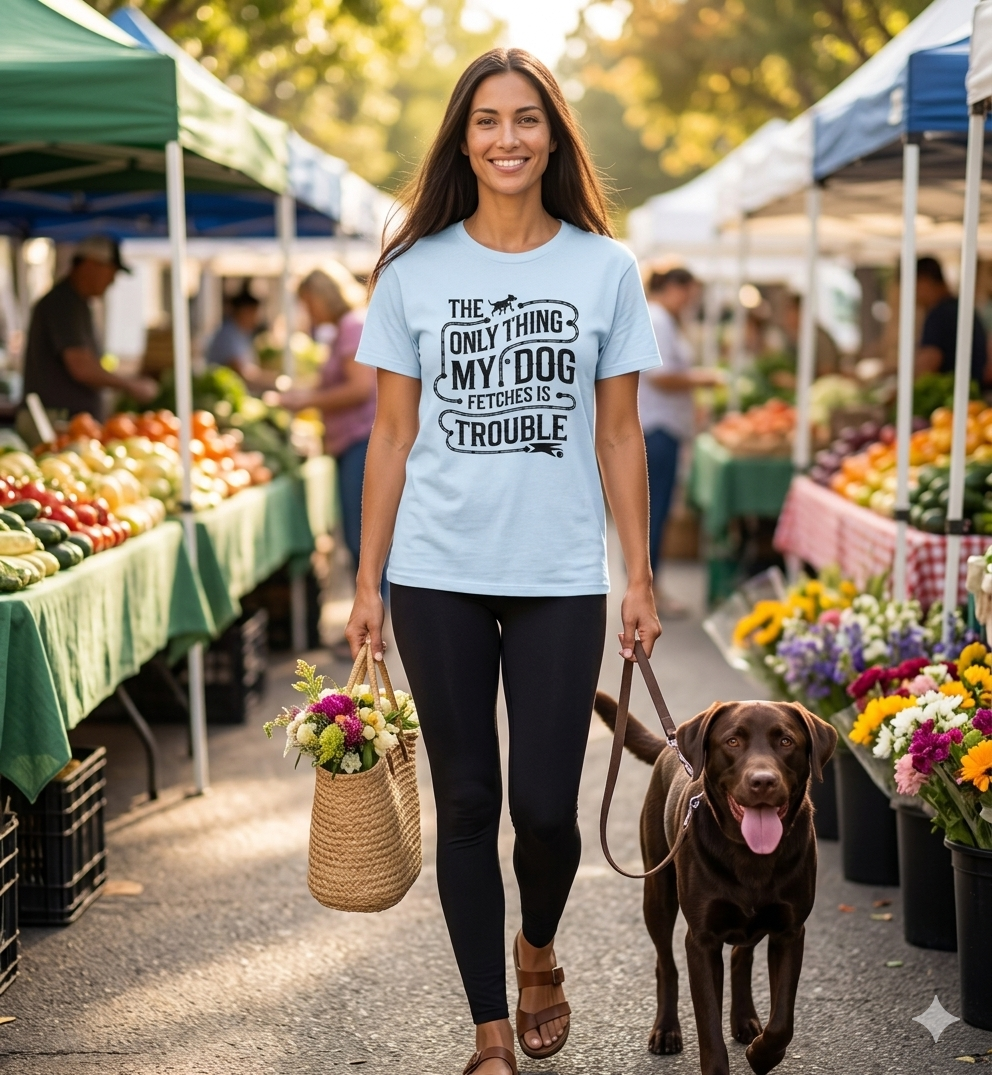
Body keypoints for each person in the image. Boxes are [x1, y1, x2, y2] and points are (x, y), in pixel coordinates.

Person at [345, 49, 663, 1075]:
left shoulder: (603, 268)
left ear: (552, 136)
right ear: (463, 138)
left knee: (542, 810)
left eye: (526, 120)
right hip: (434, 569)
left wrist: (639, 575)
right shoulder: (414, 268)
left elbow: (619, 435)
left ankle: (537, 947)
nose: (507, 138)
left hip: (559, 575)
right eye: (486, 121)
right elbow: (390, 437)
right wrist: (365, 585)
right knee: (468, 799)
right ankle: (488, 1025)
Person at [274, 267, 375, 576]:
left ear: (322, 297)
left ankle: (378, 615)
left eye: (307, 302)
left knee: (363, 541)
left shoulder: (351, 327)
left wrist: (306, 400)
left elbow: (360, 388)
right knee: (359, 539)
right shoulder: (344, 328)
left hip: (361, 441)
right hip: (350, 442)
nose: (307, 311)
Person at [638, 267, 721, 618]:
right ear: (673, 287)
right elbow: (659, 375)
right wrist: (702, 379)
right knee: (654, 514)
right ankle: (648, 590)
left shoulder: (661, 319)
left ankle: (650, 586)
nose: (691, 301)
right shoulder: (657, 319)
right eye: (688, 292)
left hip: (663, 426)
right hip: (657, 428)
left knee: (654, 513)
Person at [23, 236, 158, 420]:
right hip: (58, 421)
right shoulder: (63, 303)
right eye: (112, 272)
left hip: (69, 421)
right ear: (90, 265)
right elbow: (81, 365)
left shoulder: (77, 303)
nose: (112, 281)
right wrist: (129, 385)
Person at [915, 256, 987, 388]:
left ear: (924, 281)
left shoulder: (939, 314)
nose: (914, 296)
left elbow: (930, 360)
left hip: (955, 399)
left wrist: (904, 391)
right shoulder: (960, 307)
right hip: (974, 394)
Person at [206, 287, 278, 390]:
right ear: (244, 311)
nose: (256, 319)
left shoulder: (242, 333)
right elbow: (240, 371)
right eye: (254, 313)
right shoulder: (228, 335)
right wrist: (273, 382)